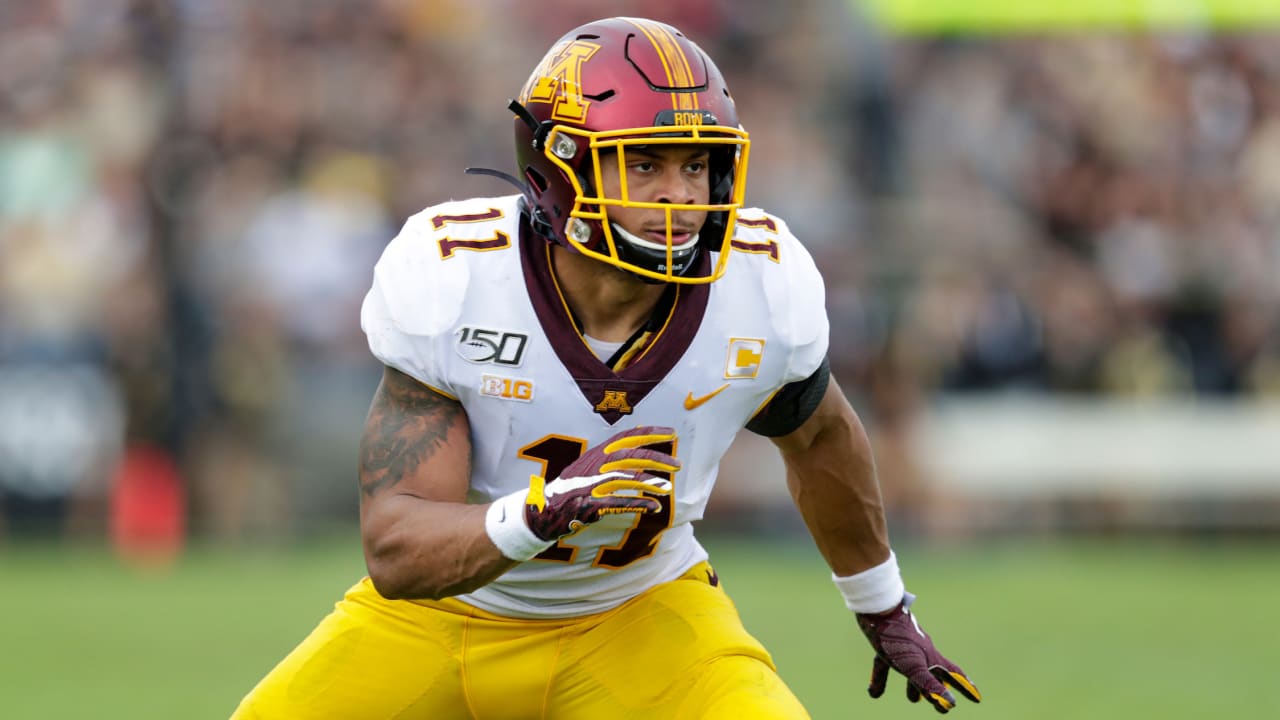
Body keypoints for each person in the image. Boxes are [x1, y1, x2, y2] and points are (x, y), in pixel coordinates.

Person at [232, 16, 981, 719]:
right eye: (643, 164)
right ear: (558, 167)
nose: (679, 196)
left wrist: (881, 605)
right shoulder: (457, 277)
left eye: (697, 165)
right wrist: (539, 512)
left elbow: (820, 440)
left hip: (641, 610)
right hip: (442, 618)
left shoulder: (761, 282)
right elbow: (397, 546)